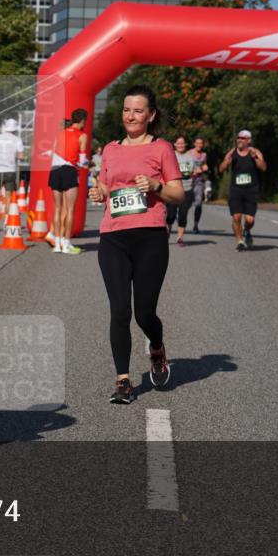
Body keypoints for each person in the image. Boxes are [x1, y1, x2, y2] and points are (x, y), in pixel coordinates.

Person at [87, 85, 183, 403]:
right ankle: (124, 381)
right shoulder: (111, 149)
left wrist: (156, 185)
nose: (130, 115)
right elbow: (105, 184)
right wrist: (99, 192)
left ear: (150, 115)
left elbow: (177, 194)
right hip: (113, 236)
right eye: (127, 110)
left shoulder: (162, 149)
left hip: (150, 236)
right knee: (119, 310)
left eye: (138, 110)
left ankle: (156, 347)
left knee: (144, 313)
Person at [218, 129, 266, 251]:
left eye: (242, 138)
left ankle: (247, 231)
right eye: (238, 137)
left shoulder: (255, 152)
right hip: (236, 190)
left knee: (250, 220)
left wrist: (255, 158)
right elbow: (221, 169)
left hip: (251, 190)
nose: (239, 140)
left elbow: (263, 168)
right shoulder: (232, 153)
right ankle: (239, 241)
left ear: (248, 140)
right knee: (236, 217)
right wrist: (226, 162)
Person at [48, 108, 88, 254]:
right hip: (69, 170)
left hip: (54, 170)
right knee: (70, 209)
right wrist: (87, 163)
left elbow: (53, 151)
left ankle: (57, 243)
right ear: (83, 120)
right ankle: (66, 243)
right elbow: (82, 160)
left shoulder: (60, 133)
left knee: (57, 208)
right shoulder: (82, 135)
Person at [0, 118, 25, 227]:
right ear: (15, 129)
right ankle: (7, 219)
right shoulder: (17, 140)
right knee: (8, 195)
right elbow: (21, 156)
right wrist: (17, 156)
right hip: (10, 170)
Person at [165, 136, 200, 247]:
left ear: (185, 145)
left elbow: (192, 172)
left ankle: (180, 238)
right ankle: (168, 232)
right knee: (170, 215)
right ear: (174, 144)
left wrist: (196, 172)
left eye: (182, 143)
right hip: (172, 189)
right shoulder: (170, 155)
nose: (180, 145)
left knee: (183, 214)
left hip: (187, 189)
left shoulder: (190, 157)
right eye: (178, 143)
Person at [190, 137, 209, 233]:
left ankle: (195, 225)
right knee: (186, 203)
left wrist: (204, 168)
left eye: (201, 143)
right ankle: (180, 220)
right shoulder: (189, 153)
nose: (199, 145)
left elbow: (205, 166)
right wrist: (193, 171)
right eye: (197, 143)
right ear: (194, 144)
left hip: (199, 181)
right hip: (188, 180)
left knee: (198, 204)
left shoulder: (204, 155)